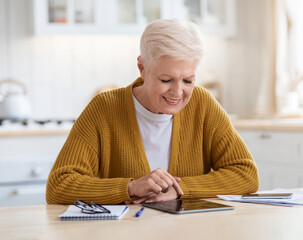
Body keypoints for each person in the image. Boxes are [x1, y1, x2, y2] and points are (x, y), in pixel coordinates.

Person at [46, 19, 259, 205]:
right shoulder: (104, 109)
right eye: (166, 80)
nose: (177, 92)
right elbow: (59, 185)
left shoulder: (203, 104)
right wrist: (130, 187)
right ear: (142, 68)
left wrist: (179, 189)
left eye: (188, 80)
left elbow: (246, 174)